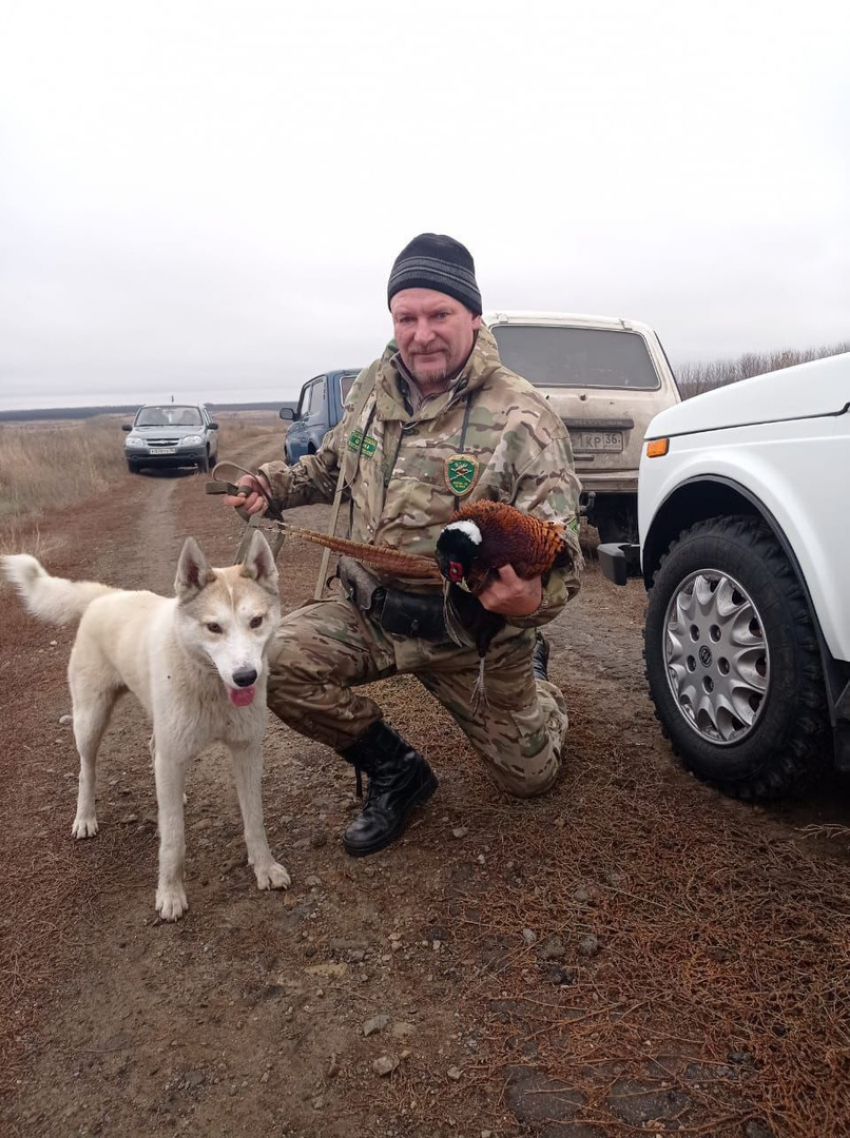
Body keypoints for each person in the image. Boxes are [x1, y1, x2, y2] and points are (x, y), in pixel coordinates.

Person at [224, 233, 583, 857]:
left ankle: (533, 679)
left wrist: (531, 600)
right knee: (271, 665)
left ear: (473, 316)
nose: (422, 335)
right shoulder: (371, 390)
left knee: (529, 779)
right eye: (406, 317)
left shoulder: (522, 417)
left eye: (439, 315)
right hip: (370, 611)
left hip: (466, 630)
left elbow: (562, 550)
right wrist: (269, 486)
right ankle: (398, 771)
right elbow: (329, 465)